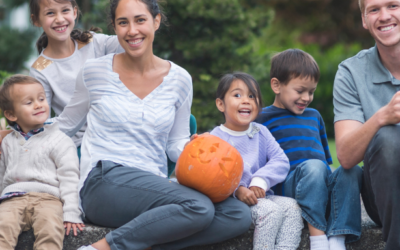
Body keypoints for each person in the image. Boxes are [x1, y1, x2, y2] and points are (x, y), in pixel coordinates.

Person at [45, 0, 252, 249]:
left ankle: (142, 244)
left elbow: (175, 144)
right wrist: (15, 132)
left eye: (140, 20)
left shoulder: (180, 79)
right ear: (115, 27)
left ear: (156, 21)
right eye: (123, 22)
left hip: (152, 182)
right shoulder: (94, 72)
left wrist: (194, 148)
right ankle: (102, 247)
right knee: (199, 207)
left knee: (237, 215)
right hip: (102, 181)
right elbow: (65, 125)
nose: (132, 30)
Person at [256, 49, 363, 250]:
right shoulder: (262, 119)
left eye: (311, 92)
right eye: (300, 90)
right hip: (289, 189)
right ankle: (318, 239)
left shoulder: (314, 116)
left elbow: (324, 162)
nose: (306, 97)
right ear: (276, 85)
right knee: (314, 167)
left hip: (319, 186)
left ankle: (338, 238)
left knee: (352, 170)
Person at [210, 72, 303, 250]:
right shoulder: (216, 138)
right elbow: (213, 174)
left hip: (262, 196)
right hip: (234, 201)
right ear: (220, 104)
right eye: (237, 95)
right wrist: (238, 190)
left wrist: (260, 181)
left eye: (251, 96)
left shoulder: (261, 132)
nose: (246, 100)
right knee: (271, 212)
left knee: (292, 207)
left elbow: (281, 160)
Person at [333, 0, 400, 249]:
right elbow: (347, 157)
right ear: (364, 20)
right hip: (383, 196)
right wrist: (382, 117)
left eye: (393, 6)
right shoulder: (351, 72)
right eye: (374, 9)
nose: (384, 16)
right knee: (388, 137)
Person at [0, 75, 84, 250]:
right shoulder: (8, 142)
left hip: (49, 199)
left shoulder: (60, 140)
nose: (38, 104)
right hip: (12, 199)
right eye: (29, 102)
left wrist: (71, 213)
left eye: (41, 98)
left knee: (51, 230)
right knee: (3, 227)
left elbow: (70, 179)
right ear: (11, 114)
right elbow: (1, 175)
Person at [28, 0, 123, 152]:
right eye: (50, 13)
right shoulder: (40, 70)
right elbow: (40, 121)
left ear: (75, 12)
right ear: (36, 20)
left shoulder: (94, 42)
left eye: (65, 10)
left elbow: (129, 41)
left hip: (116, 134)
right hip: (80, 145)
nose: (59, 19)